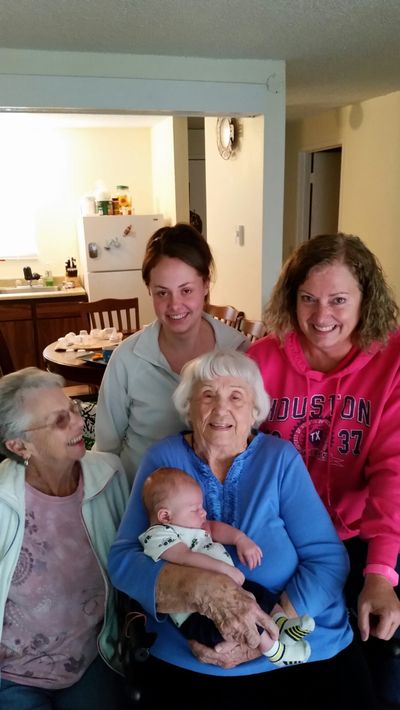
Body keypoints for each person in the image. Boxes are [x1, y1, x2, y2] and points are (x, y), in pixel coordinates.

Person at [109, 350, 377, 709]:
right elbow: (124, 561)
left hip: (303, 647)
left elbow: (327, 559)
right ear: (189, 406)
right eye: (207, 395)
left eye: (236, 396)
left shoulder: (279, 459)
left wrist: (271, 625)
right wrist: (198, 589)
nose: (221, 409)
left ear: (254, 411)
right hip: (193, 652)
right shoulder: (163, 461)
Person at [247, 232, 400, 704]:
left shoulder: (392, 362)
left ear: (365, 299)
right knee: (282, 666)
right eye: (308, 299)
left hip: (361, 539)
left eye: (338, 299)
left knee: (370, 669)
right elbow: (235, 454)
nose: (320, 316)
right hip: (279, 542)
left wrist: (379, 572)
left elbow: (392, 469)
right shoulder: (261, 360)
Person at [0, 367, 129, 710]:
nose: (77, 423)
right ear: (19, 445)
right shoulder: (2, 499)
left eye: (73, 409)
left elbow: (130, 555)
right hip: (13, 672)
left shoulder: (109, 475)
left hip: (92, 658)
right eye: (59, 421)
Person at [94, 223, 248, 484]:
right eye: (162, 293)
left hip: (219, 507)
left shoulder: (238, 352)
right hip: (142, 504)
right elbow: (107, 451)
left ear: (206, 284)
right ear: (149, 290)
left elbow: (252, 441)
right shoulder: (127, 359)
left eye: (186, 290)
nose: (175, 305)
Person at [140, 466, 315, 666]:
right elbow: (184, 557)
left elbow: (213, 527)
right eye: (195, 509)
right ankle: (277, 653)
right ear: (165, 516)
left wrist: (240, 539)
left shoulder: (190, 524)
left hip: (231, 587)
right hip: (196, 615)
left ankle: (282, 624)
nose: (203, 512)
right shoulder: (158, 536)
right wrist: (222, 570)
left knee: (261, 595)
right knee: (244, 619)